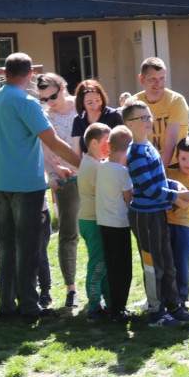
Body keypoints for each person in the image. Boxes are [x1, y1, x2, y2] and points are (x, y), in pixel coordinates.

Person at [0, 53, 80, 327]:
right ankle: (29, 306)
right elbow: (54, 141)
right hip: (25, 183)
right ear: (29, 75)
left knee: (8, 246)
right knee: (27, 247)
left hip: (0, 181)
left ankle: (6, 304)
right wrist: (86, 164)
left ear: (5, 73)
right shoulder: (26, 102)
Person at [122, 99, 189, 327]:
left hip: (158, 213)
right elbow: (151, 189)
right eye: (142, 118)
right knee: (153, 265)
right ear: (129, 124)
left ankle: (174, 306)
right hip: (145, 217)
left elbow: (159, 181)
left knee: (167, 262)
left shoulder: (150, 147)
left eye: (149, 116)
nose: (148, 120)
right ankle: (156, 312)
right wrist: (176, 196)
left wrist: (174, 185)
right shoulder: (135, 154)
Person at [36, 72, 80, 308]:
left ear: (64, 87)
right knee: (68, 233)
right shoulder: (44, 117)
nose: (50, 102)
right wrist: (54, 170)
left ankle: (102, 288)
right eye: (44, 99)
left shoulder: (81, 106)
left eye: (53, 95)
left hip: (91, 176)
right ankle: (71, 288)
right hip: (65, 180)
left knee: (100, 232)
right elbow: (44, 150)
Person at [96, 125, 135, 324]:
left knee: (111, 266)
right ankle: (120, 309)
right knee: (124, 268)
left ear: (109, 145)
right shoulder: (122, 173)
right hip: (120, 224)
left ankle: (113, 306)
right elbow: (129, 199)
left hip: (103, 222)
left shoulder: (101, 167)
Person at [78, 122, 112, 321]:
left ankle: (109, 304)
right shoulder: (93, 166)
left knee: (104, 263)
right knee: (98, 264)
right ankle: (93, 307)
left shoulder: (94, 162)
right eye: (106, 143)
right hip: (92, 221)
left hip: (95, 219)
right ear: (94, 142)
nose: (109, 147)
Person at [166, 136, 189, 314]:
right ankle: (166, 299)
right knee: (166, 262)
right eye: (183, 159)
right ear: (177, 157)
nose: (187, 163)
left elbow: (186, 202)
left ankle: (182, 300)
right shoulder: (168, 173)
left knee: (181, 263)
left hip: (182, 226)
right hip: (163, 224)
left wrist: (170, 197)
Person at [129, 57, 189, 167]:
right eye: (152, 79)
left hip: (174, 164)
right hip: (144, 163)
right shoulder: (133, 103)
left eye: (162, 78)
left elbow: (171, 142)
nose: (159, 83)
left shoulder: (176, 101)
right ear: (141, 79)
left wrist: (159, 172)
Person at [71, 80, 123, 155]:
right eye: (90, 103)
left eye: (98, 100)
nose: (95, 106)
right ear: (82, 103)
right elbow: (77, 154)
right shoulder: (78, 120)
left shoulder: (114, 116)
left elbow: (124, 146)